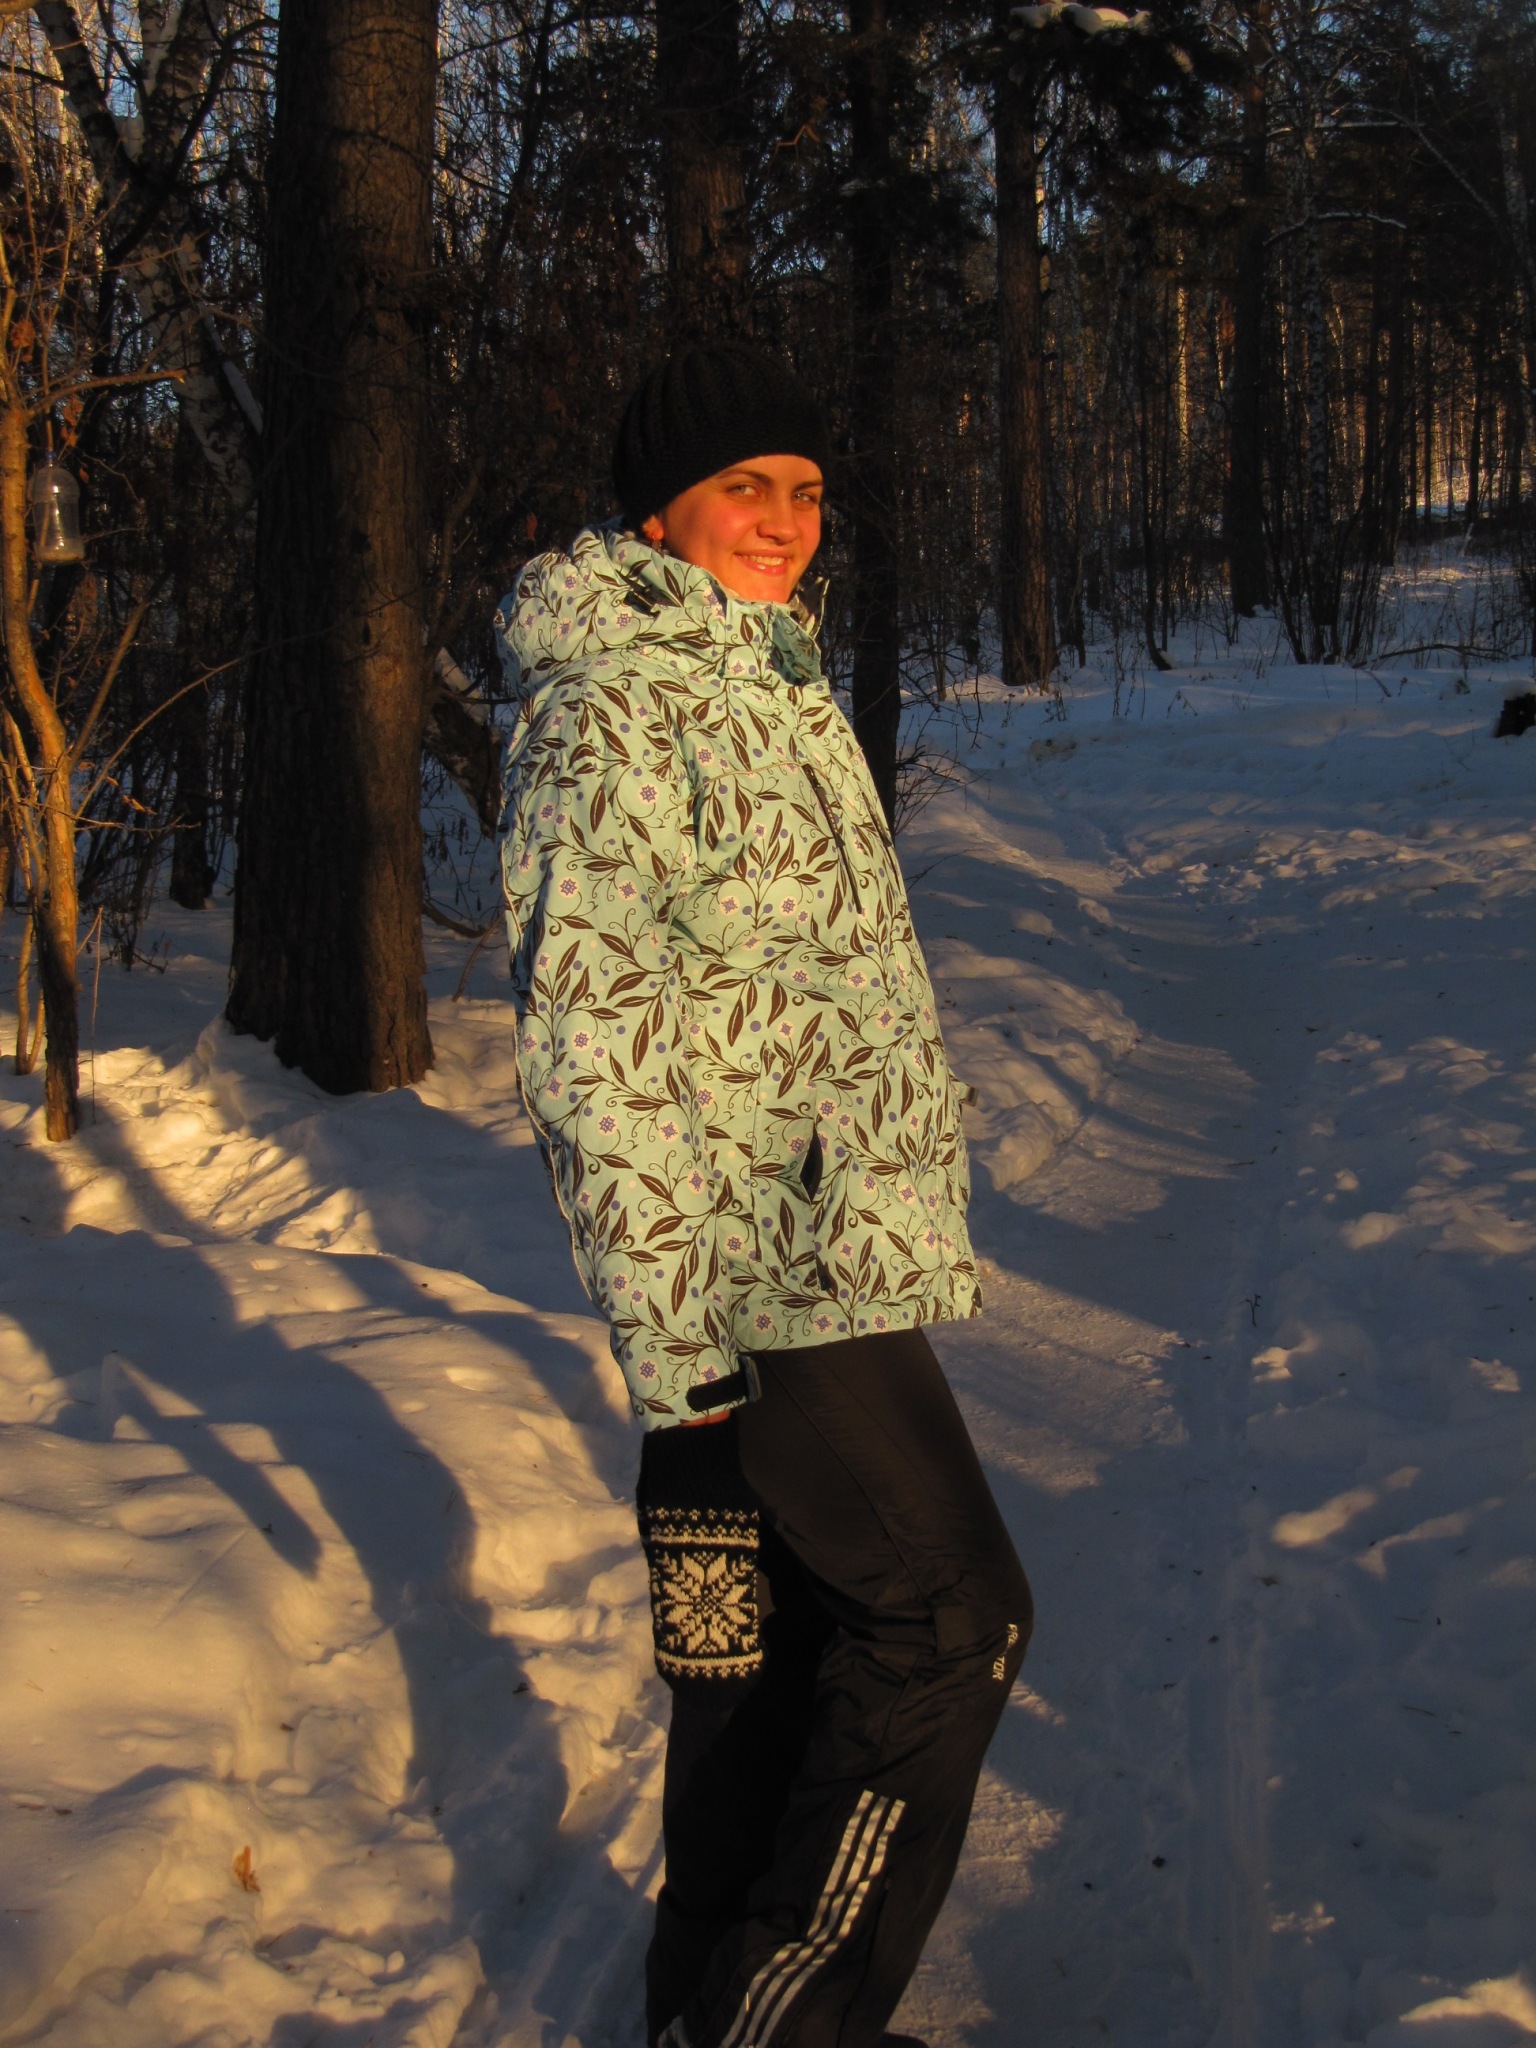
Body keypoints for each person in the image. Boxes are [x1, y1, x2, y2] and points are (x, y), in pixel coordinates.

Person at [496, 346, 1032, 2048]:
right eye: (747, 488)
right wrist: (687, 1383)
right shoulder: (616, 710)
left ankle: (699, 2007)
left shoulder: (770, 679)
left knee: (772, 1666)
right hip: (754, 1283)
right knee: (952, 1623)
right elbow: (597, 1058)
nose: (788, 519)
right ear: (660, 514)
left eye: (805, 490)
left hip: (825, 1256)